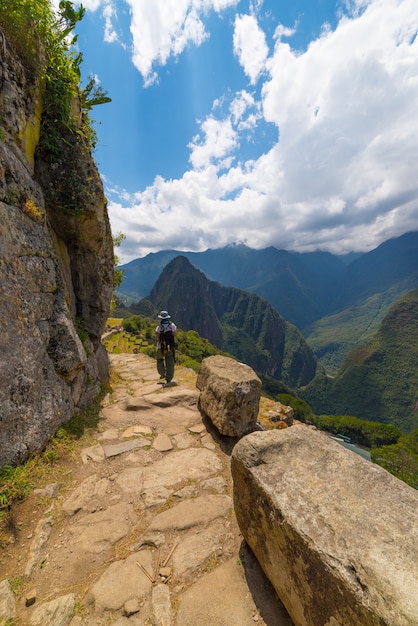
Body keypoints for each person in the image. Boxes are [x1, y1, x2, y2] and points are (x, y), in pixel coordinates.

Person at [155, 311, 177, 385]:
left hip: (160, 347)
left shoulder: (159, 327)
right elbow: (175, 335)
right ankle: (169, 378)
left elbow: (157, 338)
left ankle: (162, 374)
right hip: (170, 347)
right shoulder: (172, 326)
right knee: (170, 362)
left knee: (160, 360)